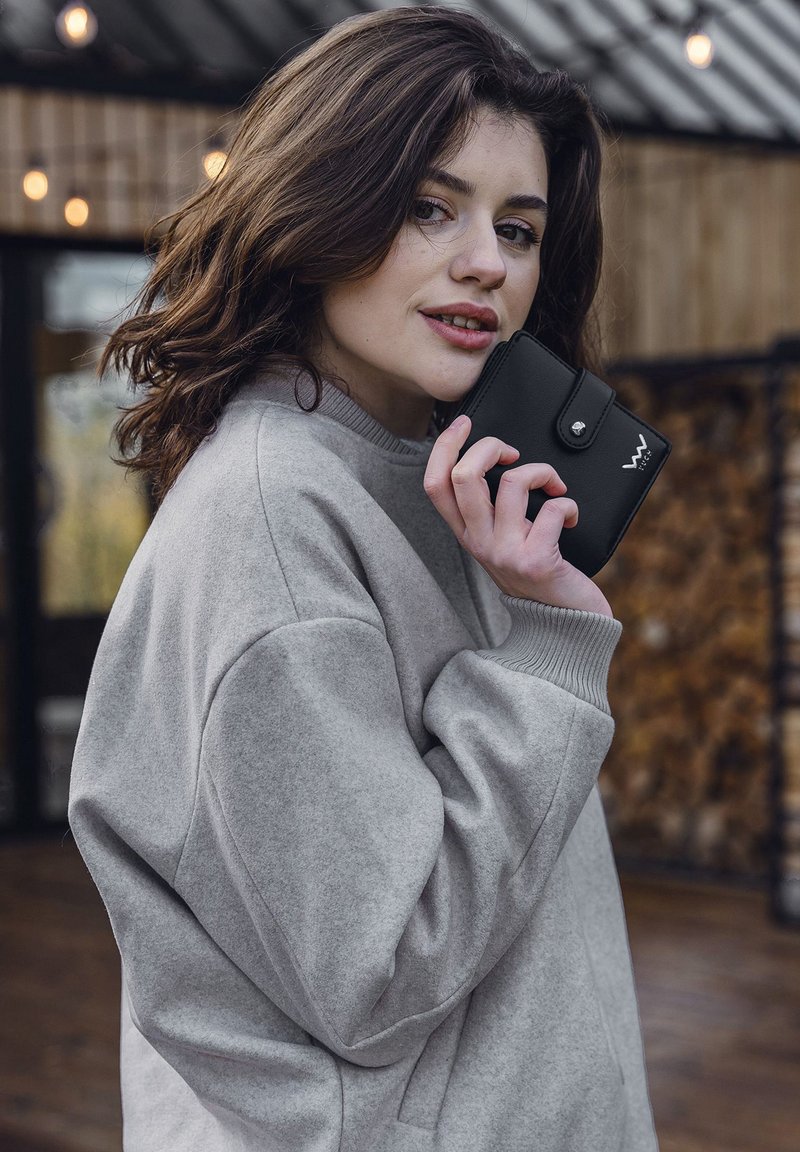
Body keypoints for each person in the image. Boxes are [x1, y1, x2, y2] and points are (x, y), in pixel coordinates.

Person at [68, 6, 659, 1150]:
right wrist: (544, 648)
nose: (485, 261)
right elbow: (381, 969)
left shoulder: (429, 468)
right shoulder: (275, 528)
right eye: (428, 207)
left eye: (519, 228)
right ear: (321, 207)